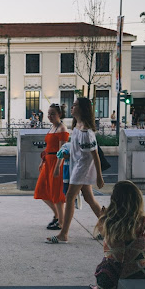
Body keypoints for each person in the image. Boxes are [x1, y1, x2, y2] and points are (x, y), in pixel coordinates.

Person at [46, 97, 104, 244]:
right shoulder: (77, 126)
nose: (72, 107)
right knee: (89, 199)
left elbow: (95, 154)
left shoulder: (86, 131)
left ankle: (63, 233)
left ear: (83, 109)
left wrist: (99, 176)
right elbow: (75, 148)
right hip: (78, 165)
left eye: (75, 105)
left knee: (70, 197)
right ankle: (108, 228)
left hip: (82, 168)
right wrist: (67, 154)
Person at [91, 181, 145, 289]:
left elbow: (107, 239)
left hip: (108, 280)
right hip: (137, 279)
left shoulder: (107, 220)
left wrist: (102, 216)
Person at [34, 104, 69, 231]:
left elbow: (62, 150)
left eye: (52, 114)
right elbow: (48, 147)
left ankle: (60, 221)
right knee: (41, 190)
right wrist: (42, 161)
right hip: (48, 161)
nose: (50, 116)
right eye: (48, 114)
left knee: (57, 193)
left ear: (59, 114)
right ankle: (57, 215)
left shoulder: (62, 129)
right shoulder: (53, 127)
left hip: (56, 162)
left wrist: (58, 166)